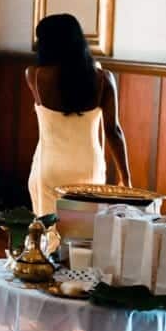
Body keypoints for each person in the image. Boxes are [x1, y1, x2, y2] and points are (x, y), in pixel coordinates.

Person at [26, 13, 131, 215]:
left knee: (47, 234)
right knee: (85, 234)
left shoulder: (34, 75)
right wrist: (125, 178)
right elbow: (113, 131)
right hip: (87, 166)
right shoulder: (103, 79)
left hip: (50, 165)